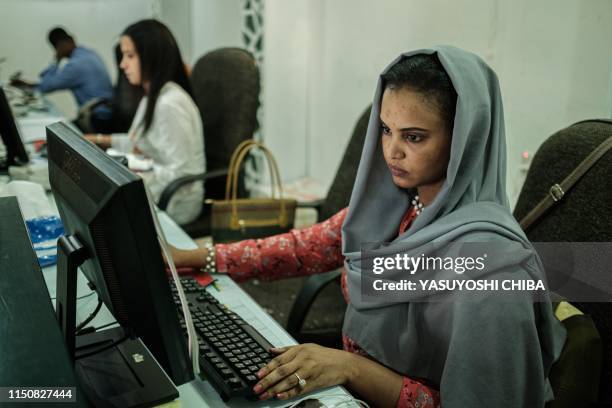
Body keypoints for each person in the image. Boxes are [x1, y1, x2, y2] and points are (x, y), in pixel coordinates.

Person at [169, 46, 567, 407]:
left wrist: (351, 369)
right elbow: (308, 246)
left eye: (414, 137)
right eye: (385, 130)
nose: (391, 152)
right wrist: (193, 257)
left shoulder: (491, 266)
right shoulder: (403, 204)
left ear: (465, 139)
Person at [86, 19, 205, 225]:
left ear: (152, 57)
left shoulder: (170, 104)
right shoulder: (153, 96)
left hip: (176, 201)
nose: (123, 65)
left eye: (130, 56)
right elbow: (138, 142)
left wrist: (136, 165)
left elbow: (182, 173)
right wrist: (96, 139)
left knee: (95, 212)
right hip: (156, 187)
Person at [11, 27, 114, 133]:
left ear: (59, 46)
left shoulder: (75, 65)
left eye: (56, 47)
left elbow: (45, 87)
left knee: (53, 134)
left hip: (98, 121)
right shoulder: (89, 53)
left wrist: (56, 61)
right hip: (107, 114)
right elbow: (45, 84)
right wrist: (29, 85)